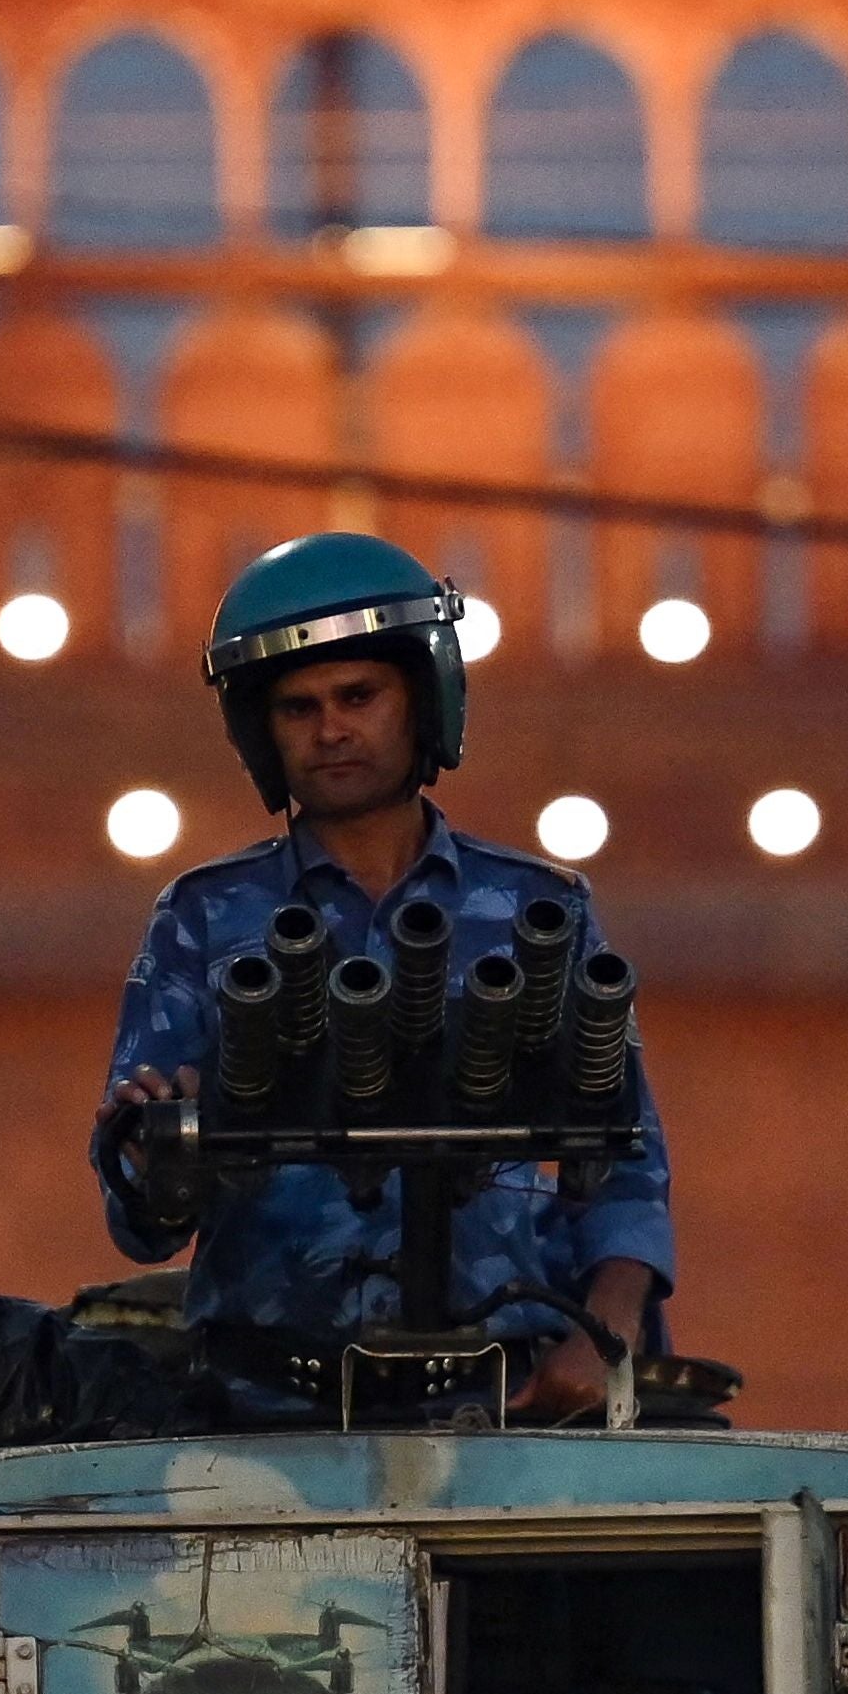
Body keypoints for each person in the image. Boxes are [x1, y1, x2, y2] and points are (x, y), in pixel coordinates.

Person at [92, 531, 672, 1422]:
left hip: (501, 1407)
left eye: (359, 696)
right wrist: (163, 1154)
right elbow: (143, 1222)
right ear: (261, 731)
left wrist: (607, 1332)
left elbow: (623, 1158)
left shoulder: (538, 910)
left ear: (423, 698)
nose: (331, 730)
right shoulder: (204, 918)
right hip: (264, 1411)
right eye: (297, 707)